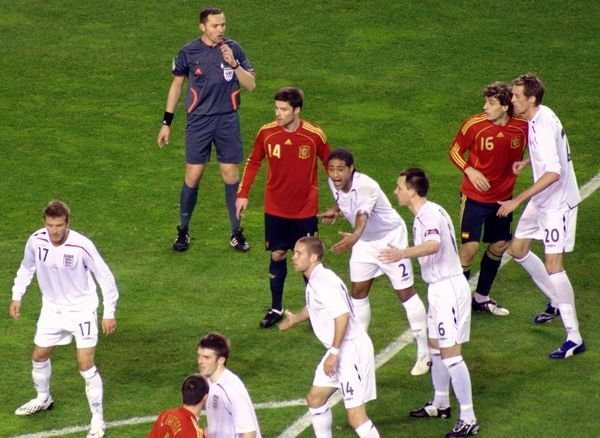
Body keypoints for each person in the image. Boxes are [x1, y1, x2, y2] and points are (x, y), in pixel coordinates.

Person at [379, 168, 478, 438]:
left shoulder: (429, 215)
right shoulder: (427, 212)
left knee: (451, 354)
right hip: (438, 288)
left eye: (399, 187)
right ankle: (441, 403)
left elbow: (433, 244)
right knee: (435, 346)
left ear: (412, 191)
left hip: (448, 288)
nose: (396, 191)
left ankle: (468, 418)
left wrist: (402, 253)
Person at [9, 200, 119, 438]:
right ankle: (43, 397)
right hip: (52, 309)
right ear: (44, 223)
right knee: (39, 356)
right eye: (50, 225)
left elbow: (106, 278)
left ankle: (98, 421)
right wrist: (17, 295)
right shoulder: (36, 241)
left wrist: (109, 312)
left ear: (67, 223)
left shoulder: (82, 246)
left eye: (59, 225)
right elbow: (26, 267)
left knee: (85, 365)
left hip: (82, 310)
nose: (54, 231)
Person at [320, 148, 430, 376]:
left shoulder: (367, 186)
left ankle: (424, 352)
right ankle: (360, 350)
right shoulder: (335, 183)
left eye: (340, 169)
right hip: (363, 243)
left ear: (351, 168)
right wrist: (334, 209)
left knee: (405, 292)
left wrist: (356, 235)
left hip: (389, 239)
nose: (335, 174)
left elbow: (362, 214)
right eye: (331, 170)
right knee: (358, 292)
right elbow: (343, 201)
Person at [497, 73, 584, 359]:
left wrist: (518, 200)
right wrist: (527, 160)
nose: (512, 100)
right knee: (518, 249)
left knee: (554, 265)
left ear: (531, 98)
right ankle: (556, 302)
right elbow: (550, 155)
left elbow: (554, 171)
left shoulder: (542, 123)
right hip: (543, 198)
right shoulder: (539, 116)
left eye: (516, 96)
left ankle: (574, 338)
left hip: (557, 203)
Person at [157, 7, 256, 252]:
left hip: (227, 120)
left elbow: (251, 85)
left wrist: (234, 64)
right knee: (193, 176)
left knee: (231, 176)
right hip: (199, 122)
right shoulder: (188, 52)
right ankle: (183, 230)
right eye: (215, 25)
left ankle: (236, 232)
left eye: (223, 24)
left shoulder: (234, 49)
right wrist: (166, 123)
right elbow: (176, 87)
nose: (220, 30)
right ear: (202, 27)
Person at [236, 87, 331, 328]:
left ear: (296, 110)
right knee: (277, 254)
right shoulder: (267, 133)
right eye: (276, 108)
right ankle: (276, 307)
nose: (278, 113)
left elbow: (332, 167)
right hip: (276, 209)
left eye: (283, 109)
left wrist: (341, 202)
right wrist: (243, 193)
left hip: (305, 210)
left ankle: (315, 310)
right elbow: (254, 160)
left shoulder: (314, 135)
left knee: (309, 261)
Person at [280, 236, 380, 437]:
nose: (294, 257)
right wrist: (294, 320)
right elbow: (314, 307)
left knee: (356, 417)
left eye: (299, 253)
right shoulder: (317, 279)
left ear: (313, 257)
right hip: (341, 350)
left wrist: (334, 353)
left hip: (351, 350)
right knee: (315, 399)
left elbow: (342, 316)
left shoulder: (322, 281)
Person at [448, 82, 528, 316]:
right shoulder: (474, 125)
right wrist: (469, 170)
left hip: (503, 199)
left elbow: (543, 144)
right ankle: (458, 302)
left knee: (499, 245)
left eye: (491, 103)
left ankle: (481, 297)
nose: (485, 107)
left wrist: (529, 162)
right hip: (474, 198)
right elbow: (454, 150)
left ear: (505, 106)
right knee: (469, 249)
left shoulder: (523, 126)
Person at [197, 332, 261, 437]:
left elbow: (249, 432)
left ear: (221, 360)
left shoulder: (231, 388)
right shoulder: (210, 382)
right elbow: (217, 425)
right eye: (199, 356)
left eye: (206, 357)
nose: (200, 361)